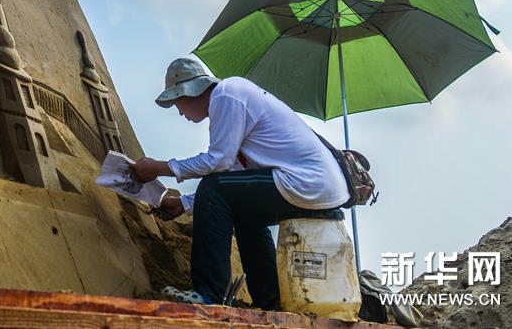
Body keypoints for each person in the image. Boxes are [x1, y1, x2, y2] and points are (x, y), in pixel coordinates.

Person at [130, 57, 350, 310]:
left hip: (307, 182)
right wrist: (184, 203)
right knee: (244, 214)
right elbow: (235, 171)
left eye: (178, 103)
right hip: (317, 187)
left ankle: (209, 293)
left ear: (189, 92)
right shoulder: (229, 103)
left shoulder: (227, 94)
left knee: (214, 186)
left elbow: (218, 162)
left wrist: (159, 167)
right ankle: (271, 300)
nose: (180, 112)